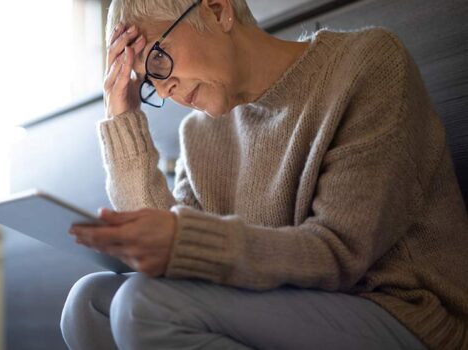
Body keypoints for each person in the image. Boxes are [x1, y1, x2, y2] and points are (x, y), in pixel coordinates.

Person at [61, 0, 468, 349]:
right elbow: (170, 264)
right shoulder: (200, 133)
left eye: (157, 59)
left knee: (141, 304)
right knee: (89, 302)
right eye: (149, 81)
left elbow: (339, 254)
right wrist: (123, 117)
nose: (163, 90)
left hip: (398, 313)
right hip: (282, 308)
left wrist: (185, 241)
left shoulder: (367, 65)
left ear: (217, 10)